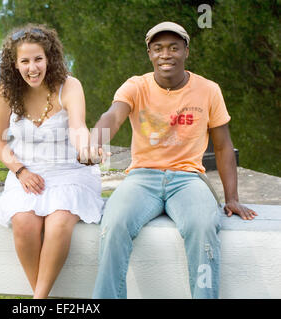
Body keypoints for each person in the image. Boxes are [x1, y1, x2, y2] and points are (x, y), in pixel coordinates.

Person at [91, 21, 258, 299]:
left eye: (173, 48)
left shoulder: (208, 90)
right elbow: (113, 116)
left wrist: (232, 197)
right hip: (142, 178)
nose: (165, 54)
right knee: (113, 224)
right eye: (158, 49)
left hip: (188, 179)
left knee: (203, 226)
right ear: (149, 54)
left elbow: (224, 146)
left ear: (186, 51)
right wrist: (95, 140)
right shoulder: (136, 86)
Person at [0, 24, 104, 299]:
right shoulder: (7, 91)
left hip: (69, 171)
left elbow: (78, 128)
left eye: (38, 59)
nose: (32, 68)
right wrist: (20, 170)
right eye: (24, 61)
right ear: (14, 64)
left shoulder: (69, 86)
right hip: (25, 171)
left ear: (49, 58)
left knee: (58, 223)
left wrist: (88, 150)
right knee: (24, 224)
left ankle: (38, 301)